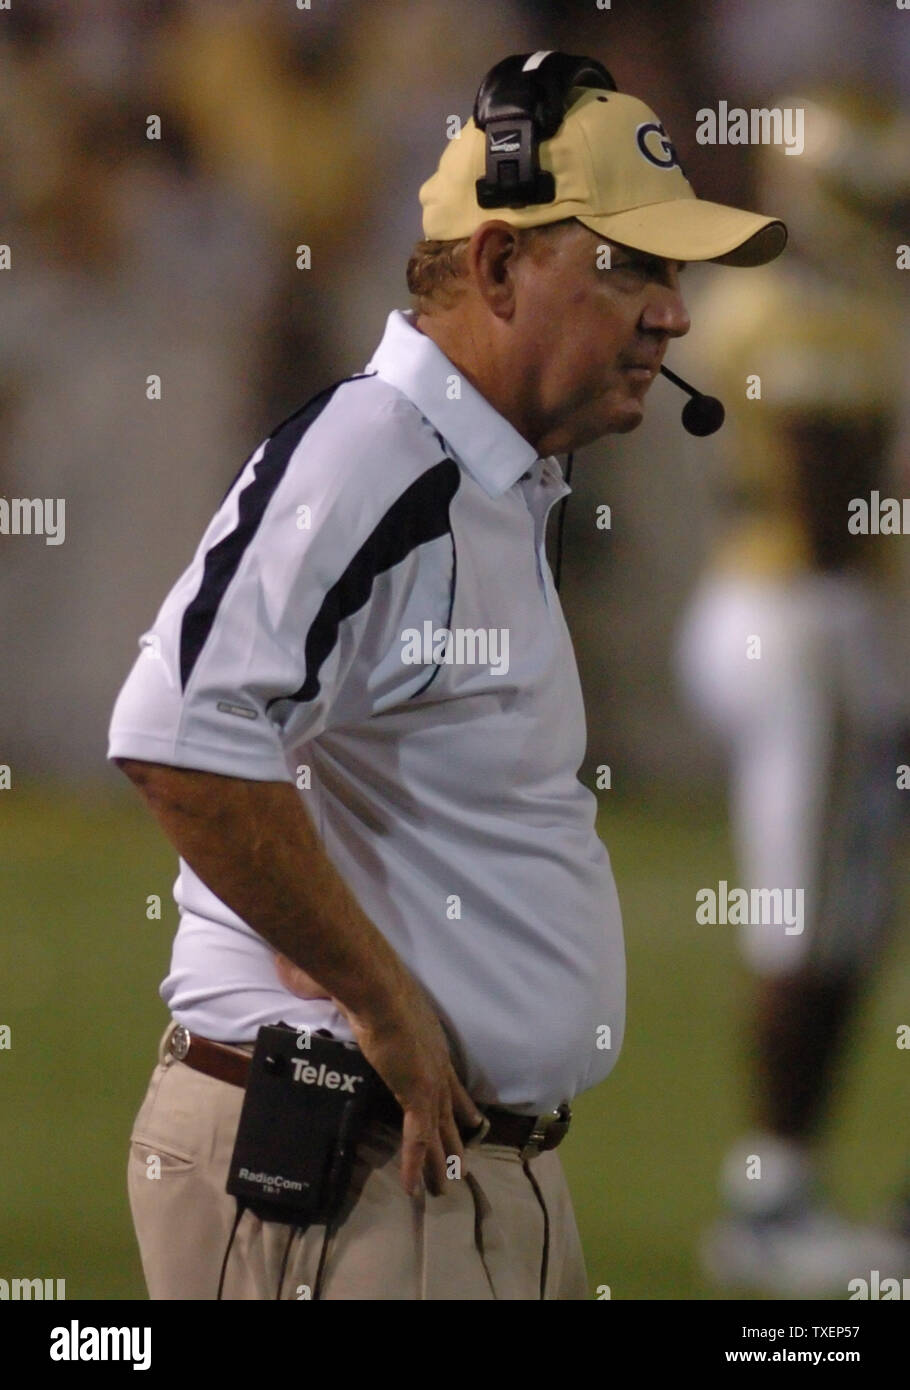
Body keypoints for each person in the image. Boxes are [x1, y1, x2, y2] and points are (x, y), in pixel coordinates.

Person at [108, 51, 785, 1301]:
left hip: (442, 1173)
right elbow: (175, 734)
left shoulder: (488, 473)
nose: (673, 314)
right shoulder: (381, 455)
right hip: (342, 1175)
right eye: (629, 265)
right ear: (494, 263)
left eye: (674, 271)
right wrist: (380, 1000)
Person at [674, 88, 910, 1295]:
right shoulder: (799, 309)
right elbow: (829, 511)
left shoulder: (833, 301)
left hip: (828, 621)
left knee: (849, 919)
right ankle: (766, 1199)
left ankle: (802, 1189)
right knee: (807, 917)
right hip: (800, 620)